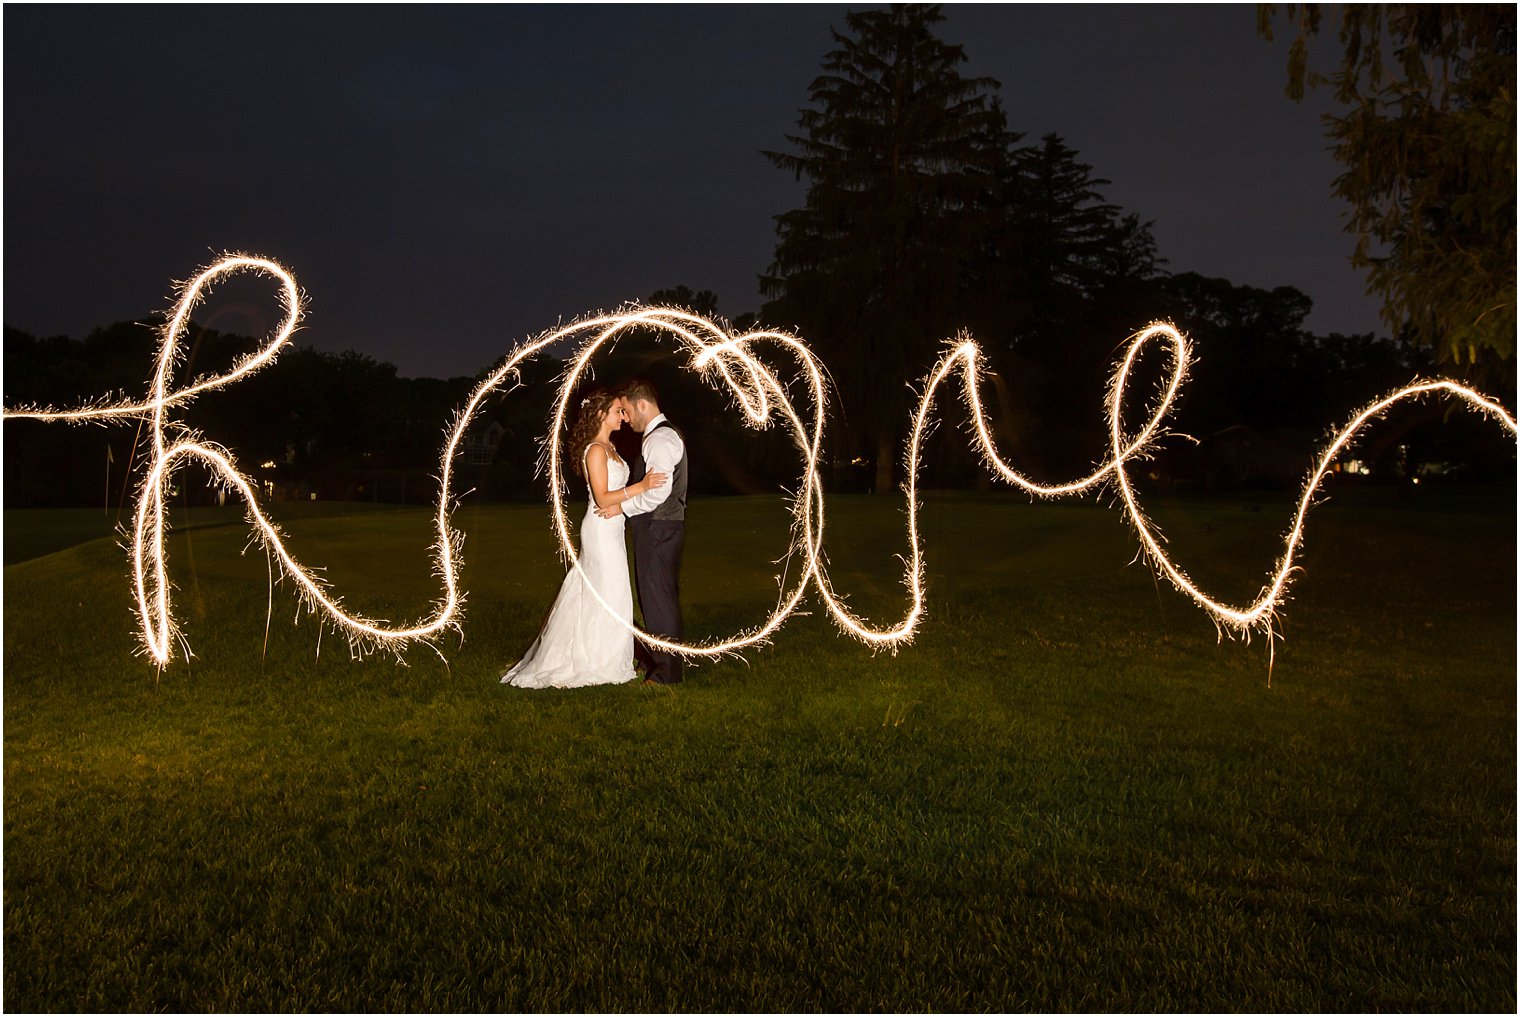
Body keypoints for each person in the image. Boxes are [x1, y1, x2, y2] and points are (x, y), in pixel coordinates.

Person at [502, 386, 666, 688]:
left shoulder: (611, 447)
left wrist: (625, 504)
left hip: (613, 529)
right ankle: (595, 660)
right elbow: (602, 498)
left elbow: (611, 500)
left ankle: (608, 654)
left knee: (612, 592)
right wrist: (641, 487)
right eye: (618, 410)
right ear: (601, 414)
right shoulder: (594, 450)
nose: (623, 415)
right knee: (608, 590)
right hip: (601, 532)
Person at [600, 378, 687, 685]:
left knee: (657, 601)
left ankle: (666, 674)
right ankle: (659, 662)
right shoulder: (661, 436)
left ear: (642, 405)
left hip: (658, 527)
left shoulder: (659, 439)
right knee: (658, 598)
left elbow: (658, 493)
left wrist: (622, 508)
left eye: (627, 410)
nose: (626, 417)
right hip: (663, 527)